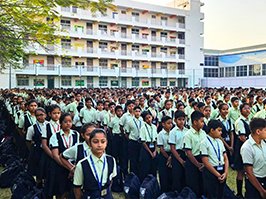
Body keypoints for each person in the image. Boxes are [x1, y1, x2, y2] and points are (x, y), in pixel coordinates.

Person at [73, 129, 117, 199]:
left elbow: (111, 179)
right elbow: (77, 188)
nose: (99, 145)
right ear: (90, 143)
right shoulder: (82, 164)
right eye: (95, 142)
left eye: (103, 142)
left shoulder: (111, 160)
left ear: (106, 143)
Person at [44, 113, 79, 198]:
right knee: (60, 190)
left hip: (72, 166)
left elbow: (77, 151)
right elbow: (55, 155)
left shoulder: (75, 134)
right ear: (60, 123)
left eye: (70, 121)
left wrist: (72, 168)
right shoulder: (55, 136)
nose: (68, 124)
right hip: (59, 166)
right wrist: (69, 168)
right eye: (65, 122)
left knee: (71, 190)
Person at [201, 120, 229, 199]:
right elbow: (205, 161)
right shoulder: (204, 142)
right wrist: (217, 174)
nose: (221, 133)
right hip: (211, 171)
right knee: (212, 194)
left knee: (221, 193)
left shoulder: (219, 141)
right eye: (219, 130)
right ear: (212, 130)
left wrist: (226, 172)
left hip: (222, 170)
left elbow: (225, 158)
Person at [240, 118, 266, 199]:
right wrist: (261, 190)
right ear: (258, 131)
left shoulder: (263, 143)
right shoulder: (247, 147)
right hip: (255, 183)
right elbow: (249, 173)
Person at [183, 110, 206, 197]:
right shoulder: (188, 135)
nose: (203, 123)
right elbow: (188, 152)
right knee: (194, 185)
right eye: (202, 121)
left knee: (202, 185)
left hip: (203, 160)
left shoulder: (203, 133)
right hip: (193, 161)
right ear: (195, 122)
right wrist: (198, 165)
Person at [26, 107, 48, 187]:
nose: (40, 117)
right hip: (37, 151)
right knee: (38, 170)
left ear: (45, 115)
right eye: (37, 115)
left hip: (48, 151)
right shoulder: (32, 128)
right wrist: (33, 150)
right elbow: (28, 140)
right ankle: (38, 186)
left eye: (41, 115)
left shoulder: (49, 125)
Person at [234, 103, 251, 198]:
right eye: (245, 109)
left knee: (247, 170)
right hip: (242, 147)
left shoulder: (248, 120)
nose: (248, 110)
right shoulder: (240, 121)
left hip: (247, 146)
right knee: (241, 170)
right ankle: (239, 193)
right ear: (241, 110)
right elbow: (242, 137)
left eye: (249, 108)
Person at [169, 110, 188, 192]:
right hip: (177, 154)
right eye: (179, 119)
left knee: (185, 176)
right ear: (175, 120)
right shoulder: (173, 132)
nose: (182, 121)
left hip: (186, 154)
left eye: (183, 119)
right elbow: (172, 148)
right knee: (177, 176)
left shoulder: (187, 131)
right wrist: (181, 161)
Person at [139, 111, 158, 182]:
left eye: (149, 117)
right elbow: (143, 142)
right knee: (145, 168)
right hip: (146, 149)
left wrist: (155, 151)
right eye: (146, 118)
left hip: (153, 147)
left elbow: (156, 139)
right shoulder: (143, 128)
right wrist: (150, 153)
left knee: (153, 168)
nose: (149, 119)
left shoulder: (154, 127)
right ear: (144, 120)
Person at [126, 106, 144, 177]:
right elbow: (127, 132)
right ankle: (133, 176)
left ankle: (139, 175)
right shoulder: (130, 121)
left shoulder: (142, 121)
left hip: (141, 142)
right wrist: (131, 139)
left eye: (139, 111)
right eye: (136, 111)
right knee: (133, 160)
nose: (137, 113)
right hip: (133, 142)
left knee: (140, 159)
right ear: (133, 112)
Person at [157, 116, 173, 192]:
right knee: (164, 174)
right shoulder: (161, 134)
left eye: (171, 123)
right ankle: (164, 191)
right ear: (163, 124)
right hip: (164, 155)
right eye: (168, 123)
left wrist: (171, 157)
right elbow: (161, 149)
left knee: (171, 175)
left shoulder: (173, 133)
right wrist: (168, 158)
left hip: (172, 154)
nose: (170, 125)